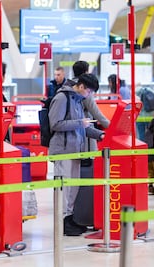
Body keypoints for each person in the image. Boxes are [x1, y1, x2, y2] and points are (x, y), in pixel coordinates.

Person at [48, 73, 105, 236]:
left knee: (73, 188)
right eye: (89, 91)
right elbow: (55, 124)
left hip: (75, 151)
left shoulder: (77, 101)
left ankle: (69, 219)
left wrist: (100, 135)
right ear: (81, 87)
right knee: (64, 190)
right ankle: (62, 222)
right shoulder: (62, 98)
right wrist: (80, 122)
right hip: (63, 151)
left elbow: (83, 128)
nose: (89, 95)